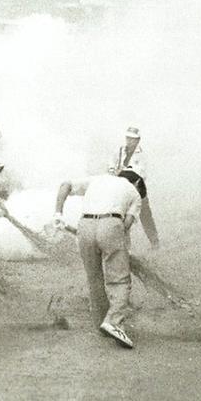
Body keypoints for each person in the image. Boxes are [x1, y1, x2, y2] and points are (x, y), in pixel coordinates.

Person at [53, 170, 148, 349]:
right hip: (111, 225)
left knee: (94, 277)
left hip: (85, 225)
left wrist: (58, 214)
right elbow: (125, 225)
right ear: (136, 183)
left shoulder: (99, 179)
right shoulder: (134, 192)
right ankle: (114, 323)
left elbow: (65, 184)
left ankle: (102, 323)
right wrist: (123, 253)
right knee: (119, 280)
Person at [108, 127, 161, 249]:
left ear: (138, 140)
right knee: (122, 215)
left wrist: (121, 172)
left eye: (132, 139)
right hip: (121, 187)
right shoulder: (119, 150)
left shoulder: (142, 154)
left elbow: (139, 173)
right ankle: (126, 246)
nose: (129, 141)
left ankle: (154, 242)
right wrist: (112, 170)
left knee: (145, 215)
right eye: (128, 138)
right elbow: (111, 163)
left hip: (137, 187)